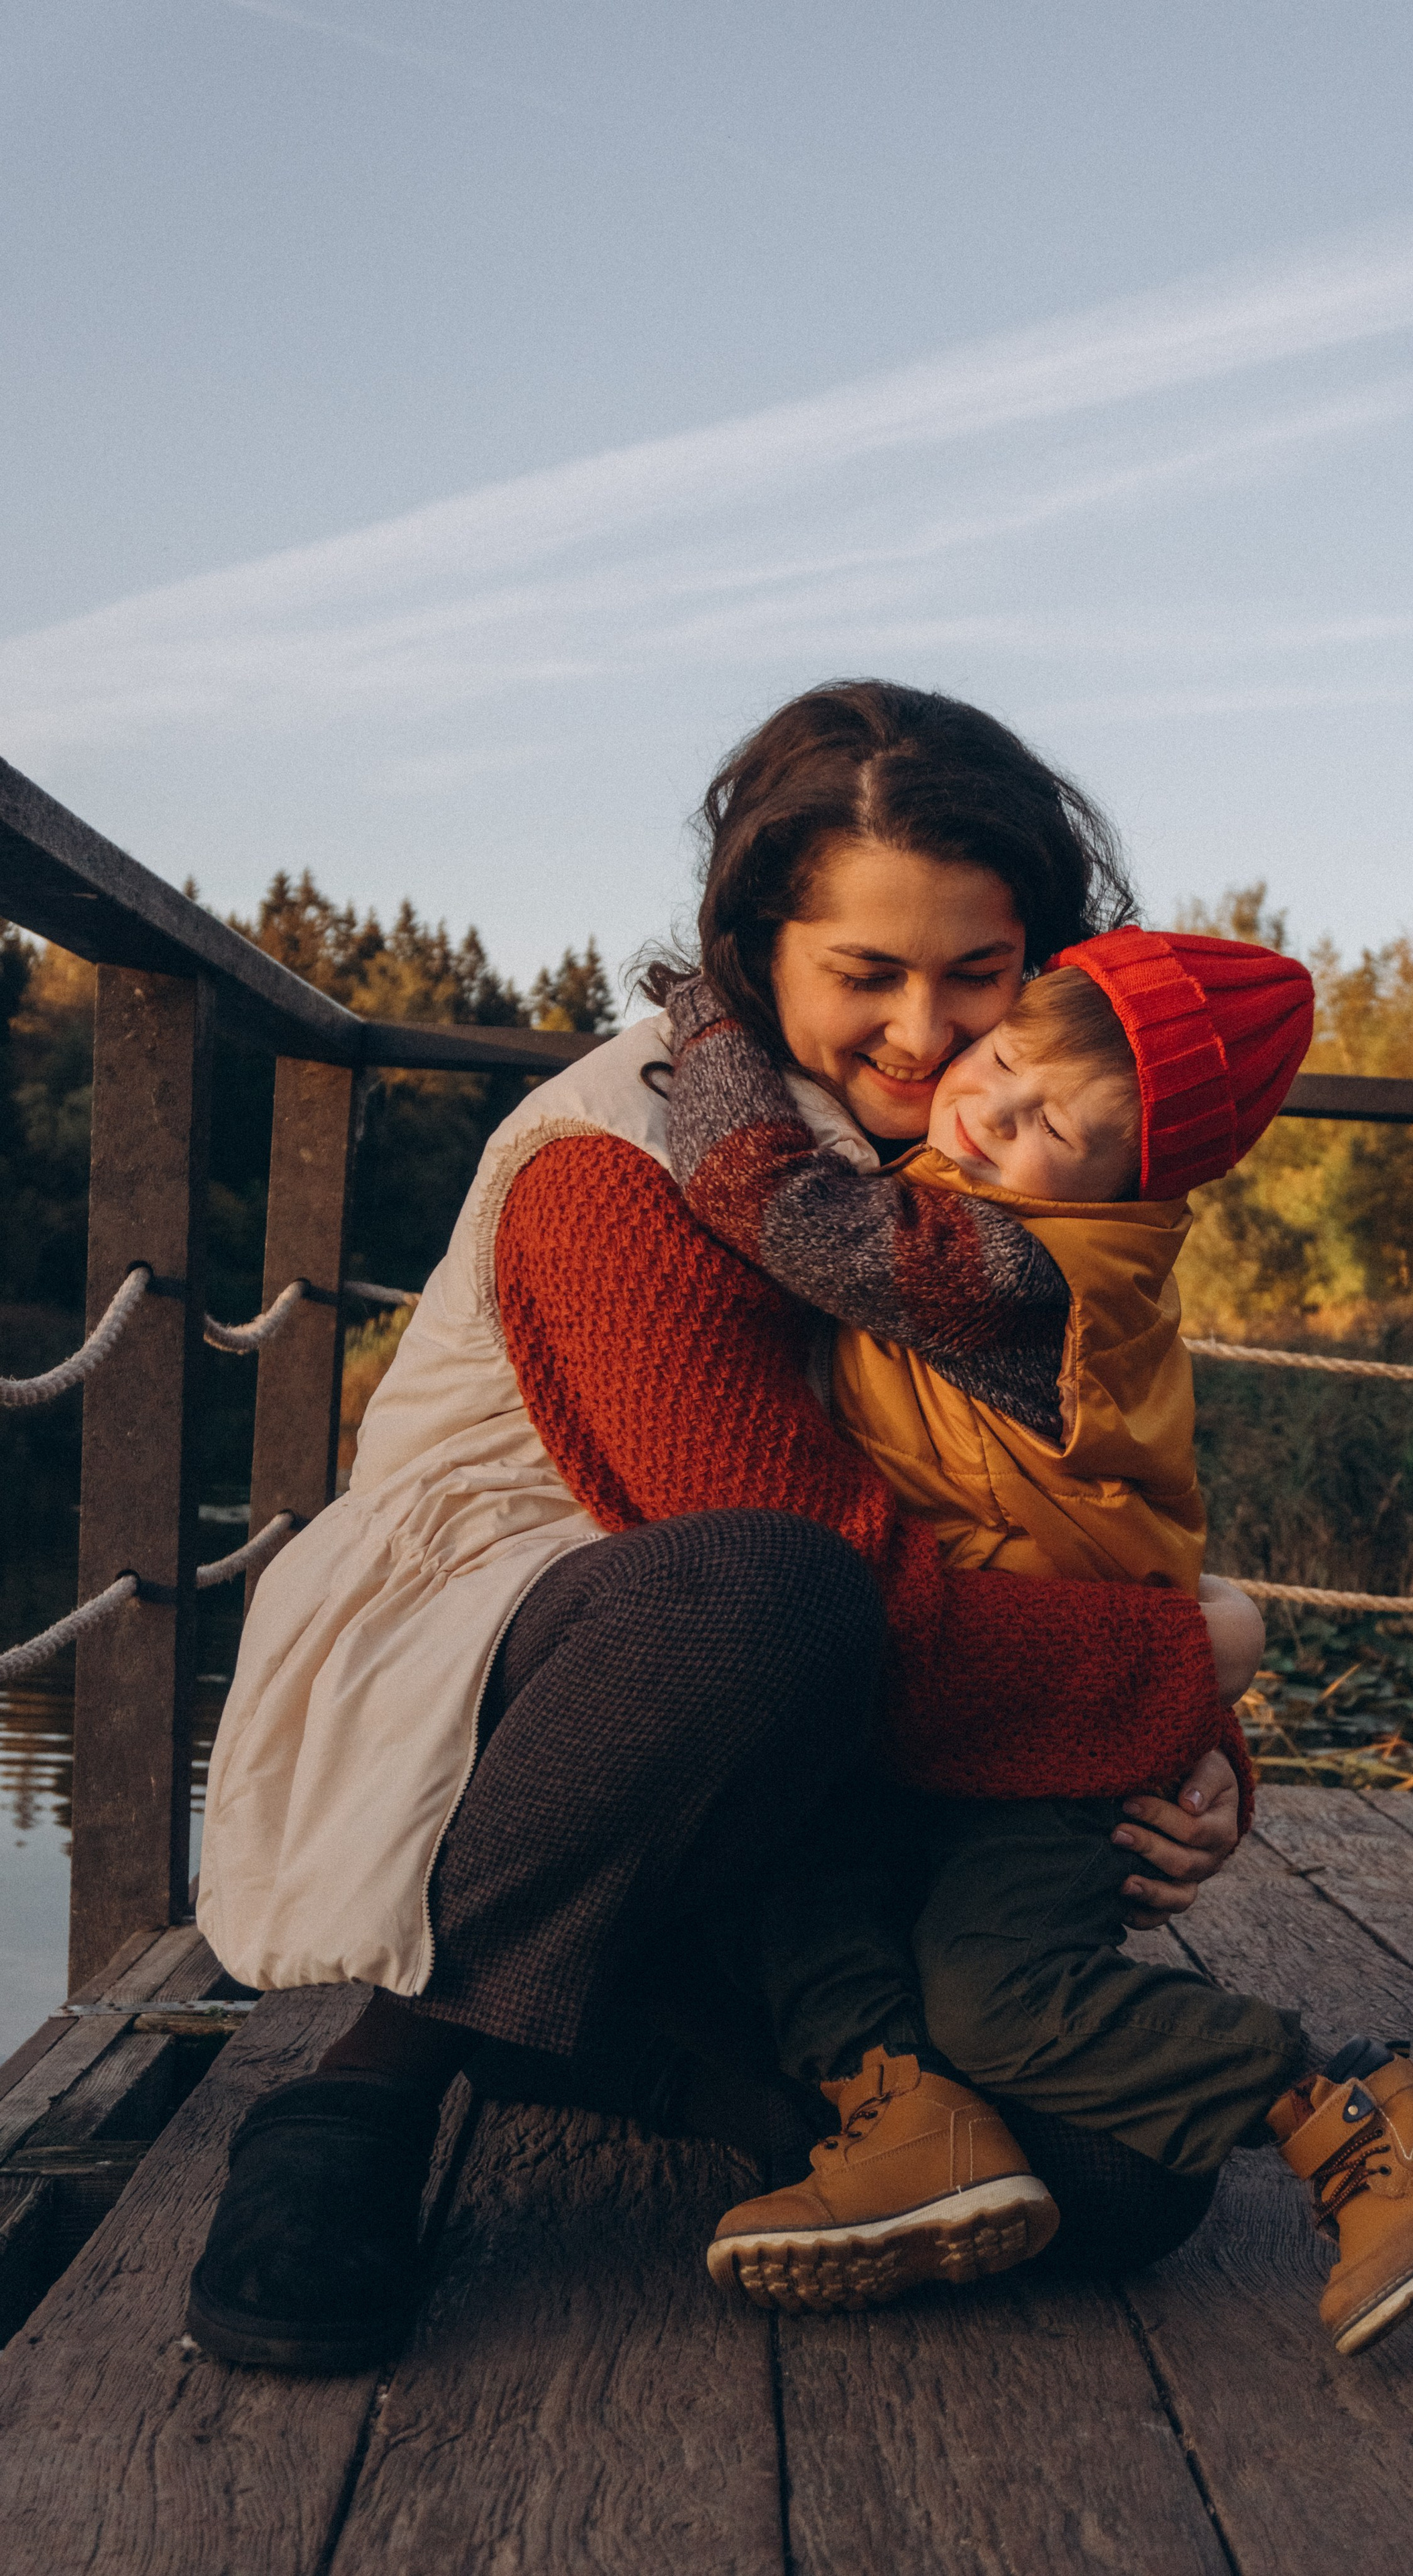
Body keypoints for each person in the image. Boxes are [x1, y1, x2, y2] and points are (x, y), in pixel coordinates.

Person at [187, 681, 1255, 2375]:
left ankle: (639, 2047)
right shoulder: (628, 1154)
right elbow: (851, 1608)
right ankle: (374, 2084)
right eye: (864, 975)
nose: (922, 1033)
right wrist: (1177, 1665)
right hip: (548, 1670)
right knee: (761, 1597)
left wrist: (1186, 1758)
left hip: (820, 1735)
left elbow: (1065, 1515)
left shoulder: (1007, 1186)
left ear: (1044, 964)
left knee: (1127, 2187)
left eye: (974, 973)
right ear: (757, 948)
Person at [665, 926, 1413, 2351]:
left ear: (1132, 1180)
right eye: (997, 1066)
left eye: (1046, 1123)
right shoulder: (983, 1208)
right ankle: (897, 2119)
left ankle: (1345, 2107)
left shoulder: (1014, 1270)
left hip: (1047, 1719)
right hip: (968, 1692)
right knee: (800, 1875)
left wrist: (715, 1010)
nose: (984, 1115)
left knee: (1002, 2003)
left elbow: (765, 1200)